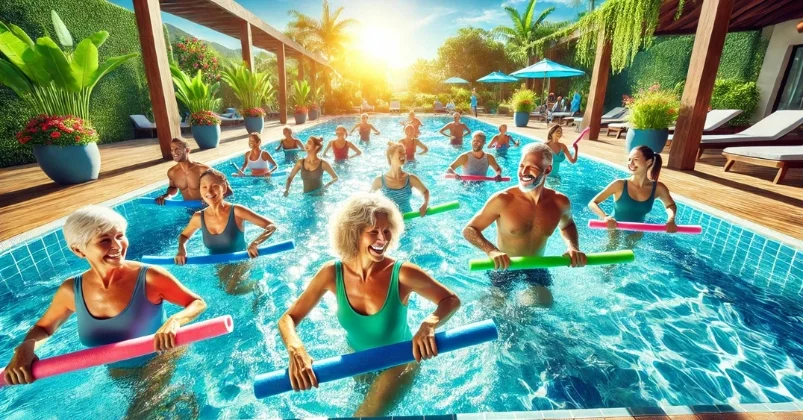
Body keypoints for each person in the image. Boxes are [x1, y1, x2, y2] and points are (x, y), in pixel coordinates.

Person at [3, 206, 206, 418]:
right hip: (119, 371)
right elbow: (43, 328)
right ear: (79, 251)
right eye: (104, 240)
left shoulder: (149, 277)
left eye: (120, 236)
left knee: (138, 414)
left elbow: (197, 302)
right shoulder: (71, 290)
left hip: (162, 358)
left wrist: (175, 320)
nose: (117, 245)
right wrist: (26, 346)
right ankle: (177, 400)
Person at [277, 193, 460, 417]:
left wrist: (430, 322)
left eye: (386, 231)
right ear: (353, 234)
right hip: (358, 358)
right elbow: (288, 318)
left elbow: (451, 300)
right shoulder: (331, 273)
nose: (382, 239)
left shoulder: (402, 273)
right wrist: (296, 348)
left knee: (363, 417)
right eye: (373, 232)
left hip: (400, 360)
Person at [462, 143, 587, 307]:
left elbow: (568, 225)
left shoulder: (559, 202)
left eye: (532, 167)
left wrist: (573, 247)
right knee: (494, 311)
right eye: (521, 166)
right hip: (504, 268)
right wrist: (491, 251)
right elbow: (470, 230)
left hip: (536, 267)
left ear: (547, 170)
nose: (523, 172)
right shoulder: (503, 199)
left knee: (542, 307)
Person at [175, 169, 278, 294]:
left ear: (223, 188)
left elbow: (271, 226)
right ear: (200, 191)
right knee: (223, 289)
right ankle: (254, 286)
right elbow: (184, 235)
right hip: (220, 263)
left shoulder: (237, 211)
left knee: (230, 290)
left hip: (242, 259)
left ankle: (257, 286)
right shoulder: (198, 217)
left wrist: (255, 243)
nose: (209, 191)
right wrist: (181, 249)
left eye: (214, 186)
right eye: (204, 187)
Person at [588, 145, 677, 232]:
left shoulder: (658, 188)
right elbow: (592, 203)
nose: (630, 163)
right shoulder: (619, 184)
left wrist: (671, 219)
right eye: (629, 159)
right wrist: (605, 217)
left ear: (648, 162)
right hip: (615, 230)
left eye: (635, 160)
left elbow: (670, 205)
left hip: (637, 234)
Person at [371, 142, 430, 215]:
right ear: (391, 155)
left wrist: (425, 204)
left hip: (408, 220)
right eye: (400, 152)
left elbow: (425, 192)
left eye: (405, 153)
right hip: (390, 223)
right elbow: (368, 199)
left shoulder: (410, 178)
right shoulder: (379, 180)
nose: (404, 155)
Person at [155, 138, 210, 205]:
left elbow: (223, 187)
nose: (173, 152)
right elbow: (173, 187)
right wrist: (168, 195)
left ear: (187, 150)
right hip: (188, 210)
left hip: (207, 209)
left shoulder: (202, 169)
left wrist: (210, 198)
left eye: (177, 149)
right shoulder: (172, 172)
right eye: (172, 150)